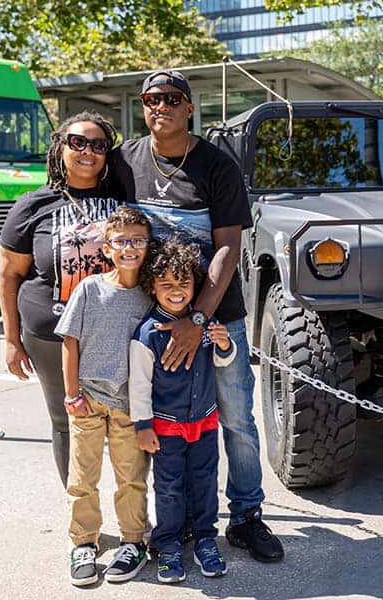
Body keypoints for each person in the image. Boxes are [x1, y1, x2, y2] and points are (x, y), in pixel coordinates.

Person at [108, 69, 285, 563]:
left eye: (170, 98)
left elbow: (228, 248)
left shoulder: (216, 165)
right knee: (155, 422)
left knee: (234, 421)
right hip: (151, 321)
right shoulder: (126, 161)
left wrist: (199, 321)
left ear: (189, 107)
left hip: (215, 317)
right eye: (150, 98)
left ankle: (247, 516)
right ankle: (172, 522)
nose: (159, 106)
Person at [0, 111, 122, 487]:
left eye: (98, 145)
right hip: (50, 333)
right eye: (78, 142)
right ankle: (82, 515)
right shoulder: (32, 206)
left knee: (127, 422)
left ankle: (135, 514)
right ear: (60, 149)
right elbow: (9, 274)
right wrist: (10, 340)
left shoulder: (123, 199)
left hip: (116, 332)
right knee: (66, 420)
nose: (88, 151)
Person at [58, 206, 155, 586]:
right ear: (107, 247)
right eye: (121, 241)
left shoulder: (151, 296)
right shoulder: (90, 288)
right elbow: (69, 341)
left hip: (129, 406)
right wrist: (71, 395)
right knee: (82, 478)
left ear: (147, 246)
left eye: (137, 240)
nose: (129, 248)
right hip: (88, 401)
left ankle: (133, 542)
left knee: (131, 479)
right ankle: (83, 542)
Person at [130, 239, 236, 583]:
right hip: (167, 428)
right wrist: (143, 425)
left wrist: (224, 343)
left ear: (196, 284)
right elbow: (140, 385)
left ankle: (206, 539)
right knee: (170, 487)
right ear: (153, 287)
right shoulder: (146, 334)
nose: (177, 292)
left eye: (184, 284)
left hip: (205, 421)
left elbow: (223, 361)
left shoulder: (205, 321)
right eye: (167, 285)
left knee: (205, 483)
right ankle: (169, 544)